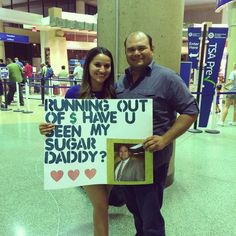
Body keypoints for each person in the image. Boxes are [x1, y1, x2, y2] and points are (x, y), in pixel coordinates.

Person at [116, 31, 199, 236]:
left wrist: (165, 139)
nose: (136, 52)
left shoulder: (167, 78)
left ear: (152, 49)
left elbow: (190, 111)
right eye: (131, 49)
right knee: (134, 209)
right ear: (126, 52)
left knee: (151, 216)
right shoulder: (120, 82)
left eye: (141, 47)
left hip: (153, 162)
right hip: (125, 161)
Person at [39, 47, 116, 236]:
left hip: (111, 159)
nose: (102, 70)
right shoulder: (74, 94)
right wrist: (47, 128)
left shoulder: (115, 94)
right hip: (86, 159)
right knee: (101, 205)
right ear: (88, 66)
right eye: (97, 64)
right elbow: (63, 126)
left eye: (107, 66)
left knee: (103, 204)